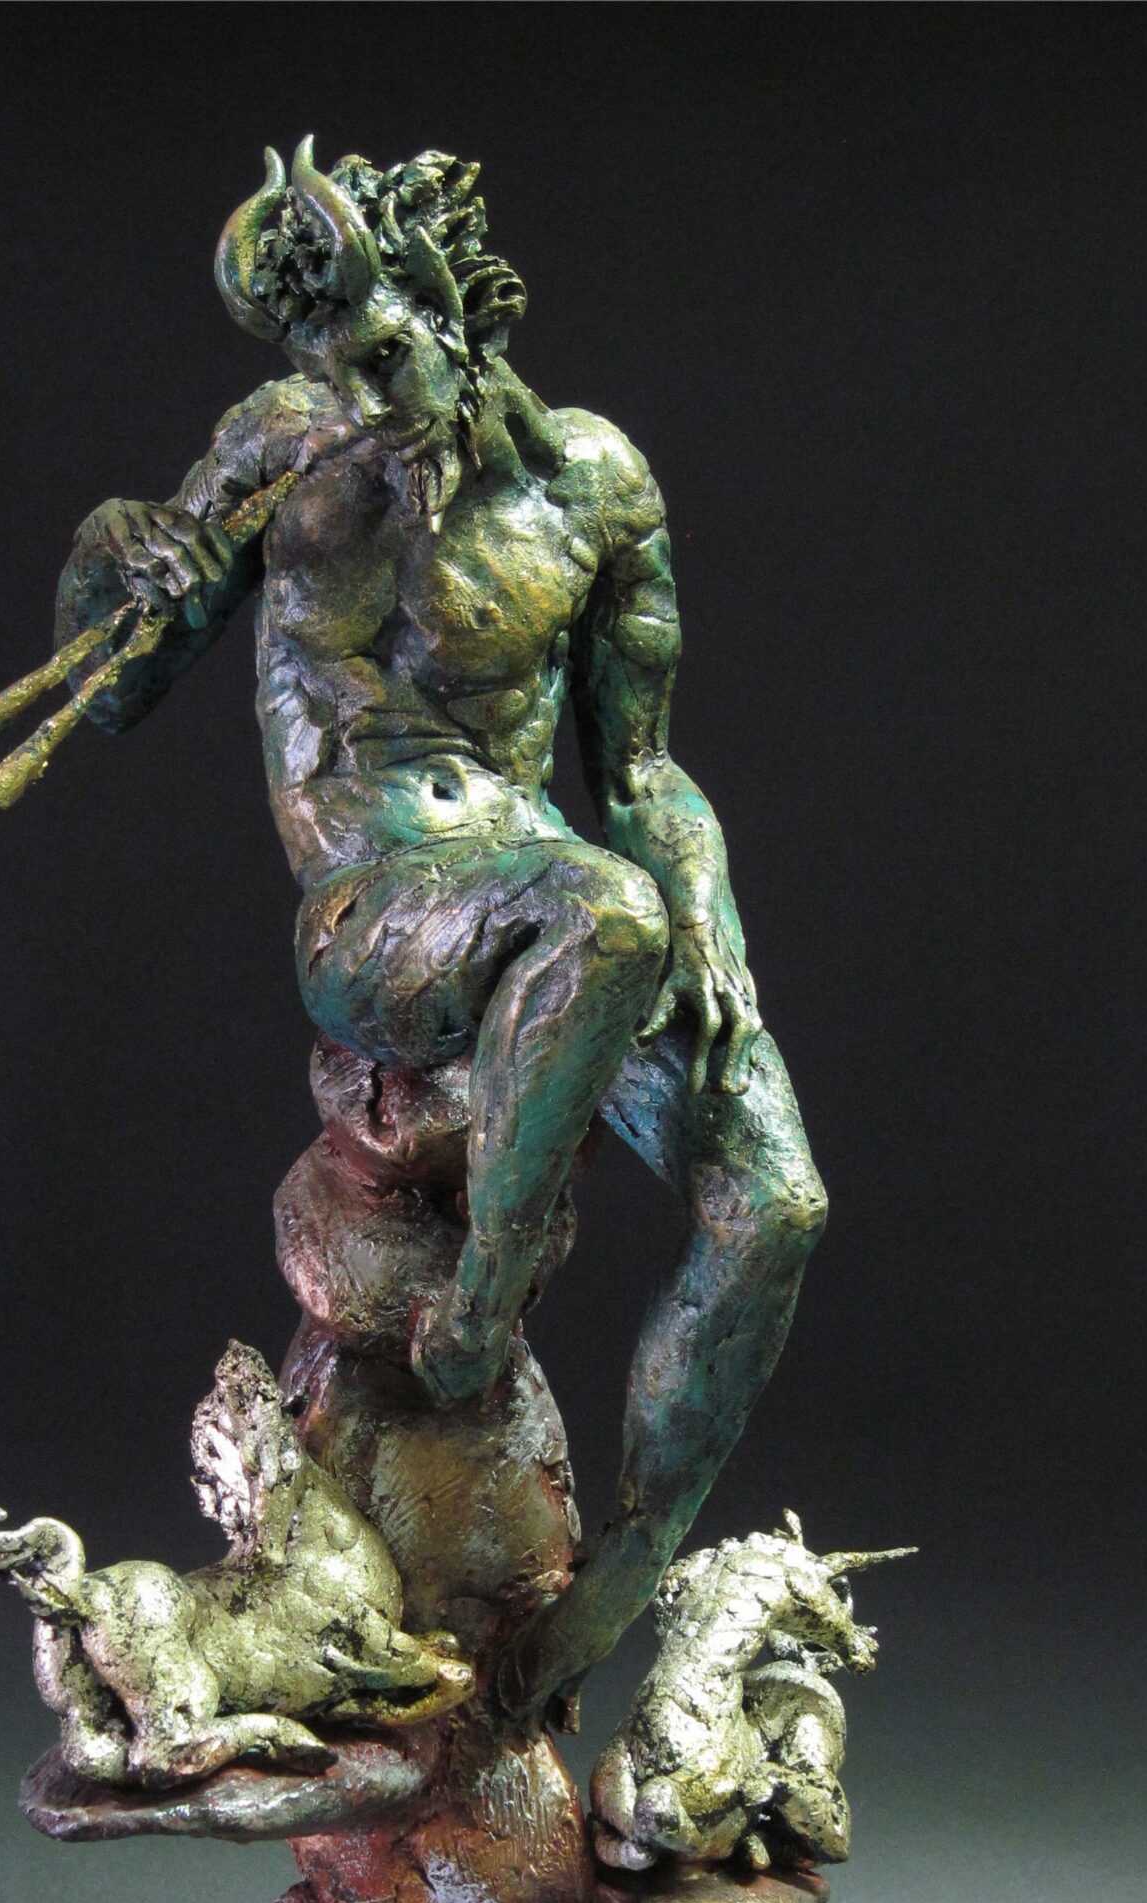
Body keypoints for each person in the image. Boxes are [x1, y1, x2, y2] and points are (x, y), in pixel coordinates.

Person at [54, 141, 827, 1722]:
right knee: (598, 912)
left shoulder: (591, 485)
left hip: (557, 907)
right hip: (377, 908)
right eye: (329, 366)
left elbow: (642, 774)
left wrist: (716, 921)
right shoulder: (281, 449)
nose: (362, 393)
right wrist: (108, 553)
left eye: (385, 353)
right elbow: (114, 690)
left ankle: (618, 1571)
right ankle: (480, 1305)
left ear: (459, 315)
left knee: (775, 1208)